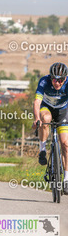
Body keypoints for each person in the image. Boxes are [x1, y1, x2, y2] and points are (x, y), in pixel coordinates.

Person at [33, 62, 68, 194]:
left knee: (65, 144)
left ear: (65, 78)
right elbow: (37, 102)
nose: (57, 83)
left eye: (60, 80)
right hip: (46, 107)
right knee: (46, 119)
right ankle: (42, 150)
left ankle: (66, 180)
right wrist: (37, 118)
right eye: (54, 79)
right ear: (50, 77)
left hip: (62, 111)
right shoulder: (44, 81)